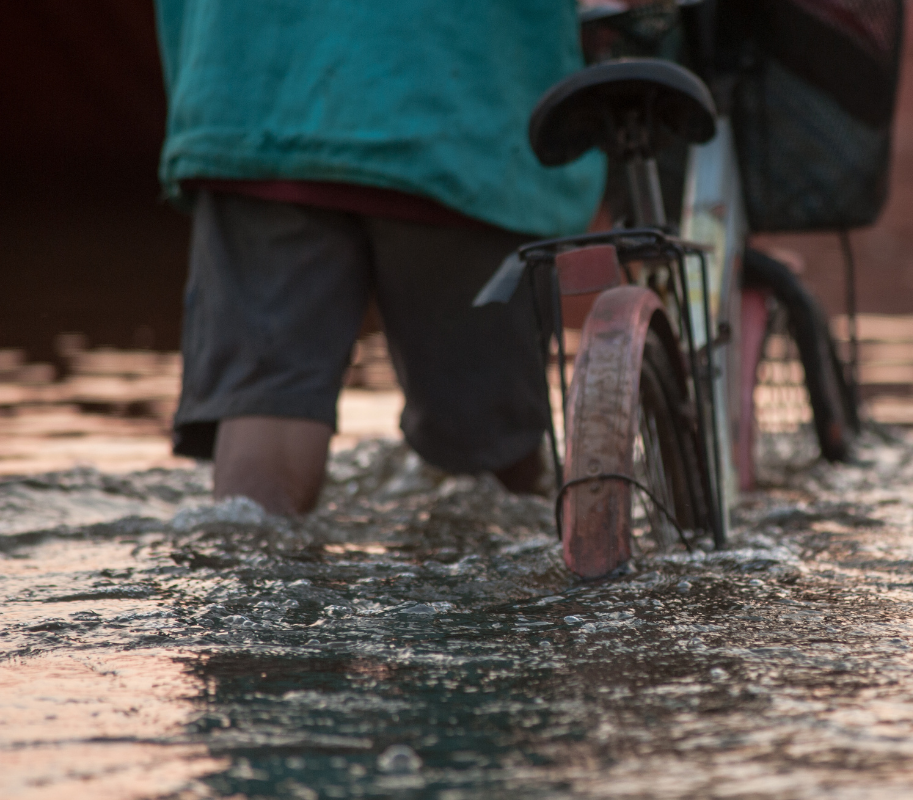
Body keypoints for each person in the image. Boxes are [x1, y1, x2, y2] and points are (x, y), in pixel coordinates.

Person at [154, 1, 604, 515]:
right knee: (486, 460)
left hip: (252, 95)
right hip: (461, 113)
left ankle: (245, 572)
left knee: (267, 412)